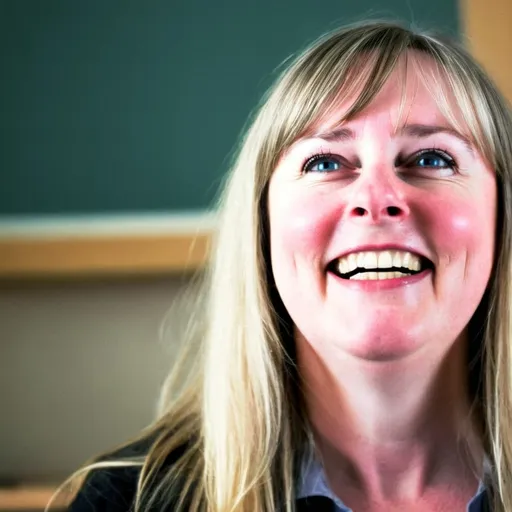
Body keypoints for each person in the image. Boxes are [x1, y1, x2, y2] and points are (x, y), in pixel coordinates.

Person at [53, 20, 512, 511]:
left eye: (432, 158)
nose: (376, 198)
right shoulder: (128, 502)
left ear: (501, 213)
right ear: (263, 221)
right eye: (326, 163)